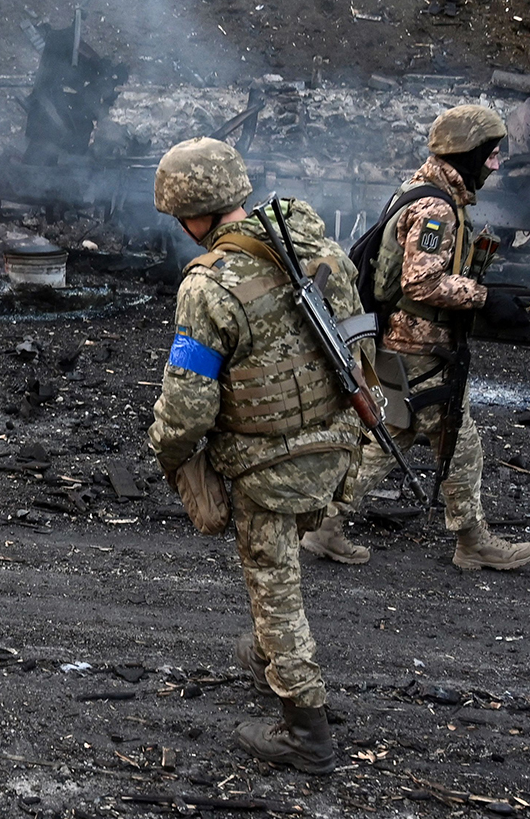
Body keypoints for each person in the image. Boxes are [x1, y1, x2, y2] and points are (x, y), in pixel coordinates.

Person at [147, 137, 371, 775]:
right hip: (337, 446)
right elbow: (361, 349)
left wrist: (167, 452)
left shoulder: (210, 285)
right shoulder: (317, 249)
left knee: (274, 586)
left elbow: (188, 405)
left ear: (194, 214)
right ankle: (276, 658)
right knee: (284, 570)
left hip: (266, 466)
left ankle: (307, 729)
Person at [301, 104, 530, 572]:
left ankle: (324, 525)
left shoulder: (419, 189)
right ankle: (473, 542)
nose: (495, 164)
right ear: (467, 152)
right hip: (419, 345)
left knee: (396, 436)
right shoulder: (436, 209)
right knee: (456, 441)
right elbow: (420, 283)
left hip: (404, 342)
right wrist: (485, 298)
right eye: (490, 154)